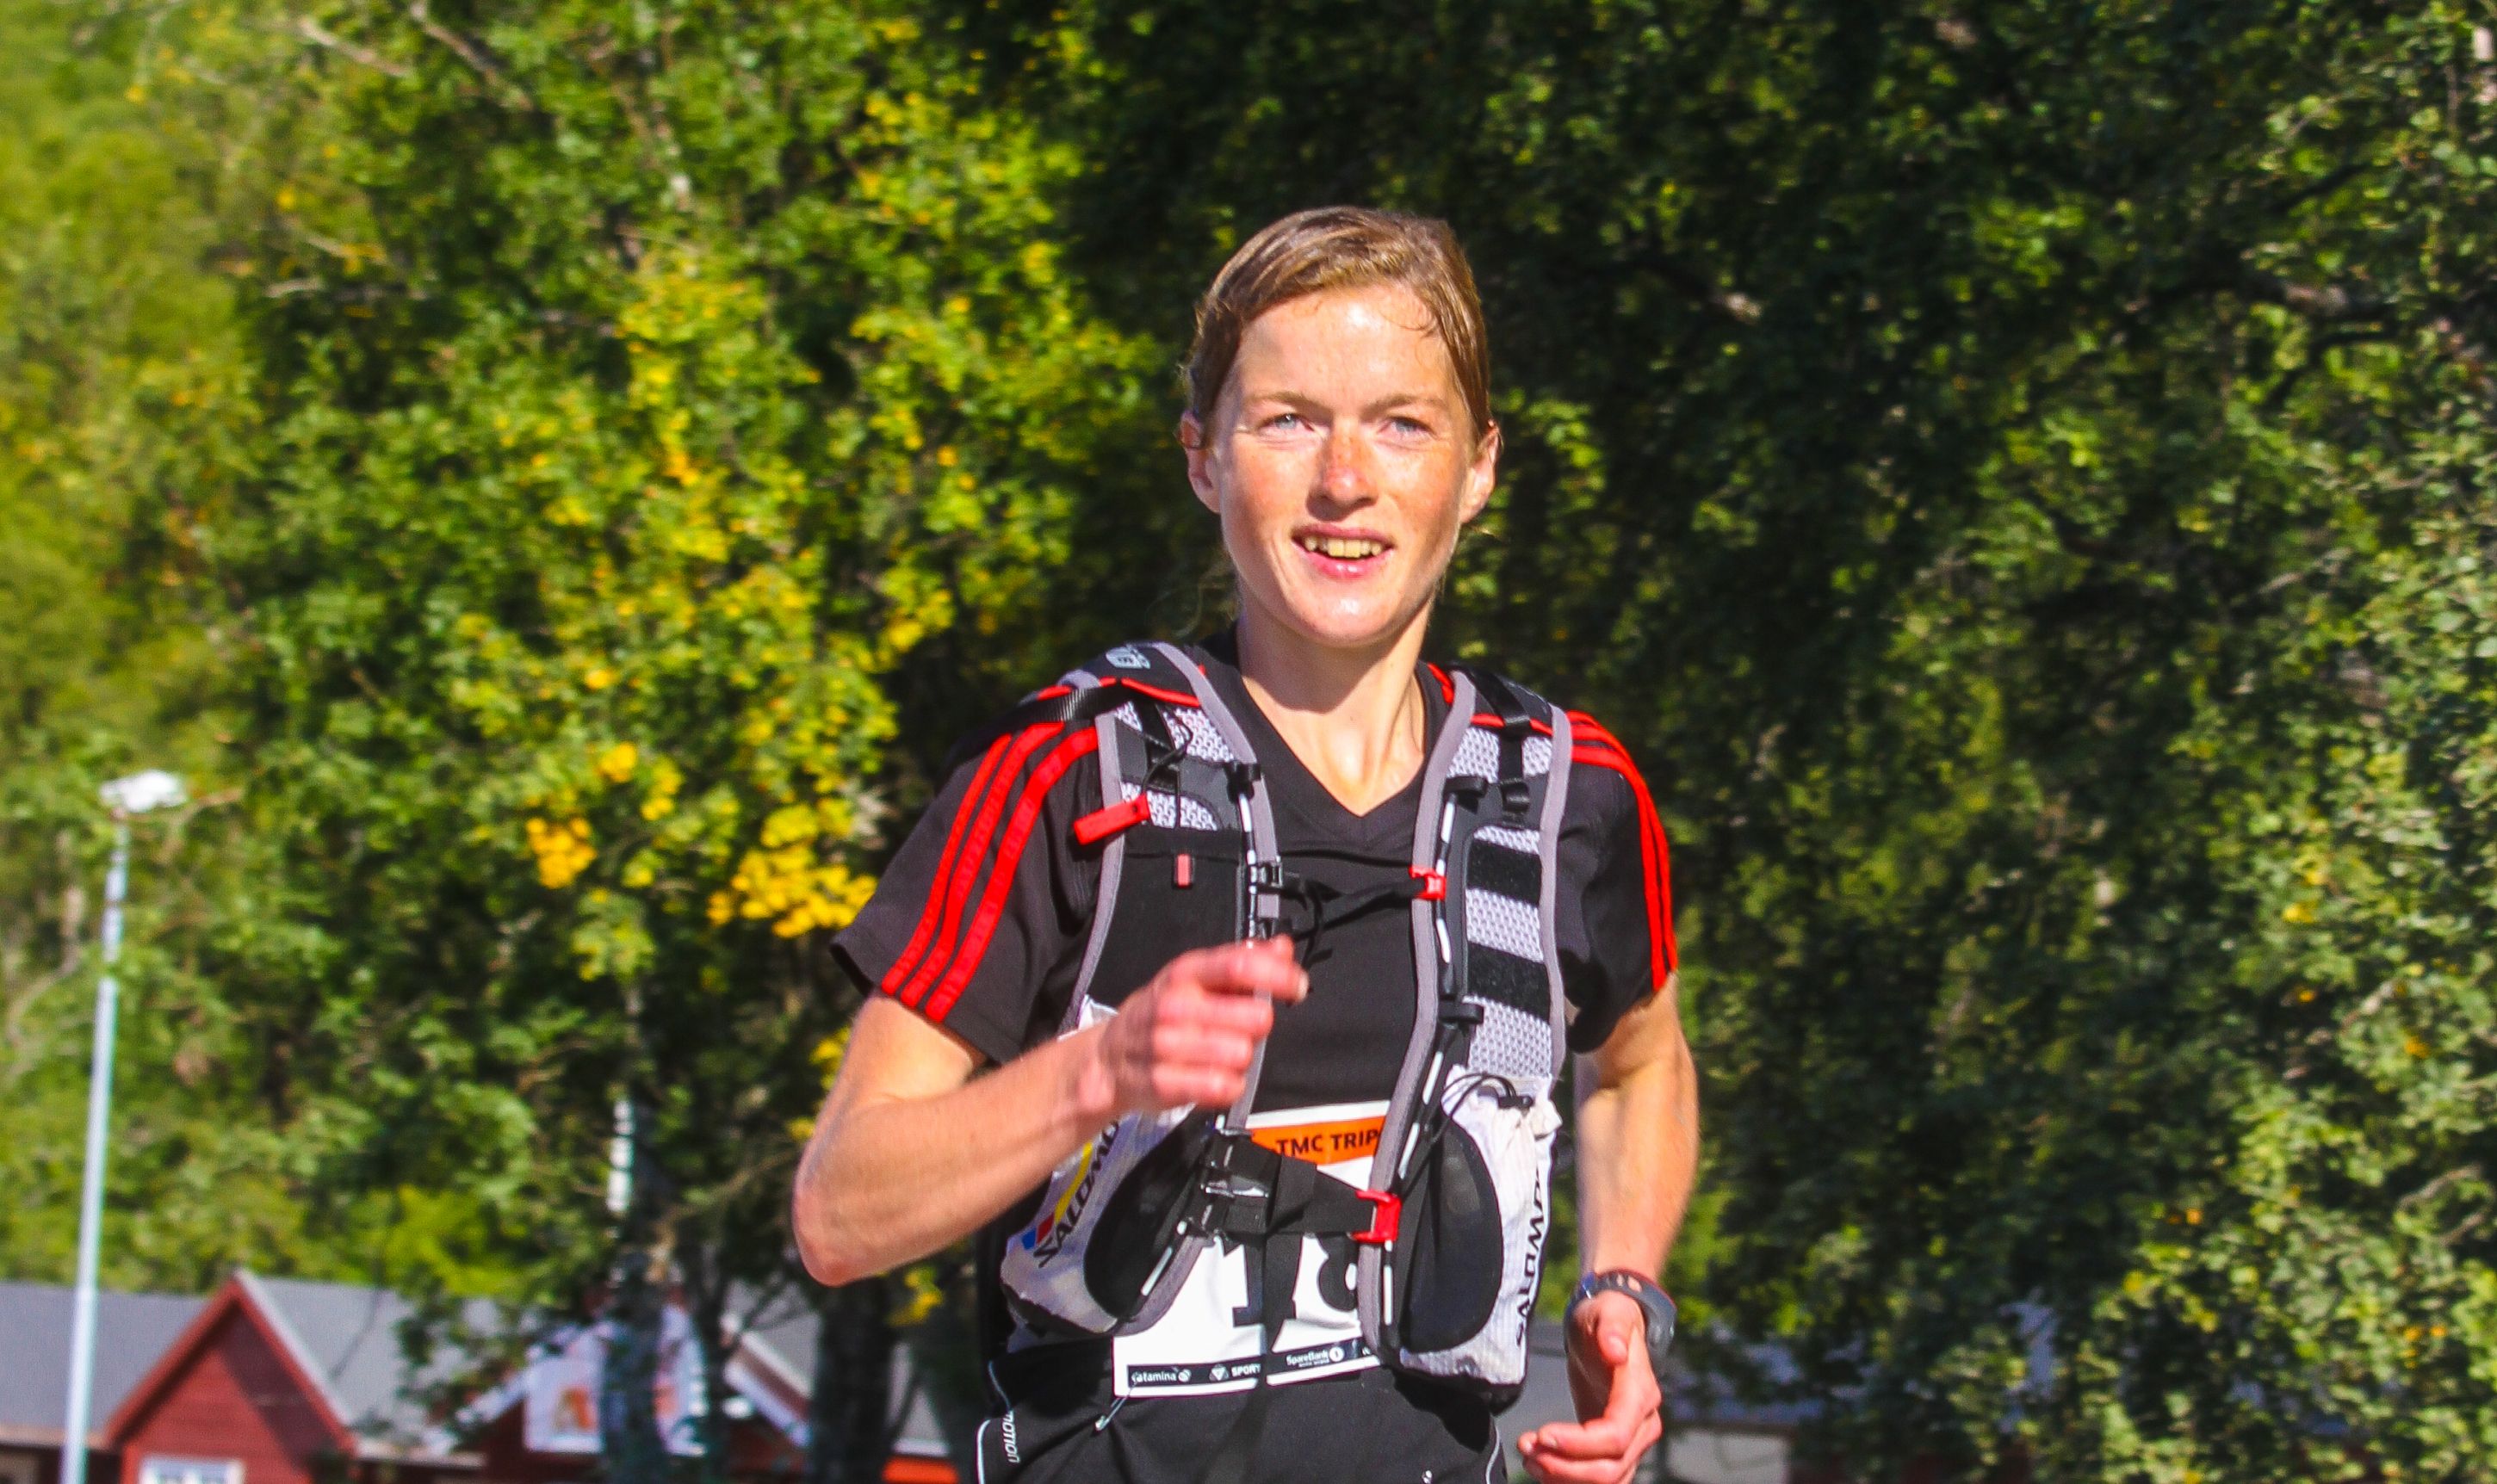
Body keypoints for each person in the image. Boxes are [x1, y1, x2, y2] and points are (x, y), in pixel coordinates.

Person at [793, 206, 1697, 1484]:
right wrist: (1100, 1071)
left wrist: (1623, 1286)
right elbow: (838, 1214)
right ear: (1204, 459)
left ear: (1480, 466)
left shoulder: (1564, 796)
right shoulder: (1068, 768)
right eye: (1287, 420)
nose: (1345, 480)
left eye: (1403, 423)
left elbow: (1637, 1068)